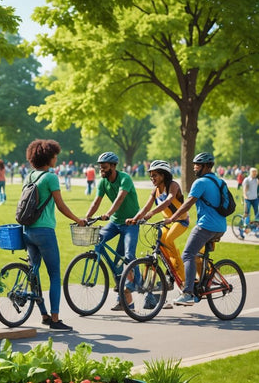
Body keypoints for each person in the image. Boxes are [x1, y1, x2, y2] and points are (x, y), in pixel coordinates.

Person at [23, 139, 85, 331]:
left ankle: (44, 314)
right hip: (44, 231)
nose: (56, 158)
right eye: (55, 155)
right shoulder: (50, 177)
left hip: (28, 230)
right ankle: (55, 319)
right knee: (54, 274)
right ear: (48, 157)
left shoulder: (30, 176)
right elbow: (60, 204)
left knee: (34, 273)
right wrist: (77, 219)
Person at [81, 152, 140, 311]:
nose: (102, 169)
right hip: (115, 223)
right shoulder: (102, 182)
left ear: (113, 166)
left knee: (128, 255)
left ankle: (136, 283)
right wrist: (87, 217)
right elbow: (96, 201)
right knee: (98, 240)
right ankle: (126, 301)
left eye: (105, 167)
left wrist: (108, 213)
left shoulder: (125, 178)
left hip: (131, 222)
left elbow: (119, 199)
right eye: (100, 167)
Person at [166, 152, 227, 306]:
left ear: (206, 166)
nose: (194, 168)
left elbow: (188, 203)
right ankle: (204, 282)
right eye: (194, 164)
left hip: (206, 226)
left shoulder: (200, 183)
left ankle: (188, 293)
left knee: (187, 254)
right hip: (221, 226)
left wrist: (173, 218)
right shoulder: (218, 181)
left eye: (197, 165)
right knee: (197, 255)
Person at [127, 160, 189, 309]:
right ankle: (158, 282)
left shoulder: (173, 186)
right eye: (150, 176)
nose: (152, 178)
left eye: (154, 175)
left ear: (163, 175)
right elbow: (146, 206)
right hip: (166, 222)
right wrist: (135, 219)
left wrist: (151, 213)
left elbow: (168, 202)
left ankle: (185, 283)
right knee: (157, 249)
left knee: (168, 241)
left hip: (180, 221)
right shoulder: (155, 191)